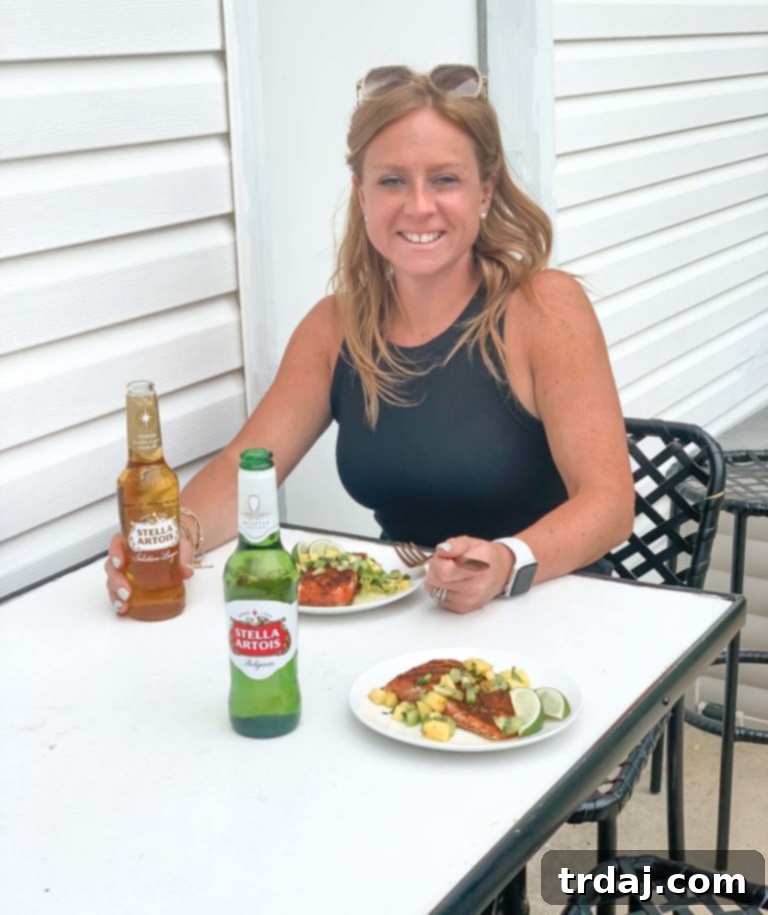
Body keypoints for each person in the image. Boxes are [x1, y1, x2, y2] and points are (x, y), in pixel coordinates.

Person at [106, 63, 635, 615]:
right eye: (392, 181)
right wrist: (174, 537)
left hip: (552, 604)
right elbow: (247, 464)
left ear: (485, 190)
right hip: (408, 617)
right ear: (361, 195)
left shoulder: (544, 308)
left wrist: (506, 562)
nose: (419, 206)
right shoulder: (335, 327)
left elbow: (609, 504)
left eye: (445, 179)